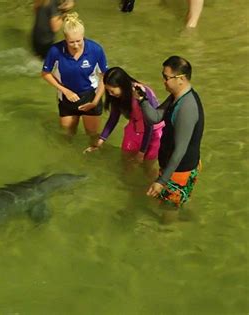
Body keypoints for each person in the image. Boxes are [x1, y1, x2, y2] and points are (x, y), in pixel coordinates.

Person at [136, 56, 204, 224]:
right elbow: (155, 117)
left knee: (167, 212)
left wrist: (162, 181)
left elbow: (180, 150)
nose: (163, 82)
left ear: (180, 79)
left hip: (179, 171)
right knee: (172, 203)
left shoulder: (187, 107)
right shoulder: (176, 96)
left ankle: (166, 236)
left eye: (166, 77)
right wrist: (142, 99)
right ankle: (187, 215)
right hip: (172, 168)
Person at [83, 67, 164, 178]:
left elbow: (150, 125)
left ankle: (152, 187)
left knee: (147, 166)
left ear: (122, 85)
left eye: (112, 90)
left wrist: (141, 152)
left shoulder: (140, 93)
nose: (110, 94)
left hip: (152, 132)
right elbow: (113, 118)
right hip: (134, 128)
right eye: (108, 91)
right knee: (126, 160)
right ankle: (127, 183)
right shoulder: (117, 96)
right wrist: (100, 142)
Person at [41, 12, 107, 137]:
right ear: (65, 38)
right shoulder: (55, 51)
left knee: (92, 135)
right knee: (67, 136)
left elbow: (105, 76)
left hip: (91, 96)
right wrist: (65, 91)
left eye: (79, 41)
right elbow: (45, 73)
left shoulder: (95, 50)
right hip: (67, 98)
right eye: (71, 42)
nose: (76, 45)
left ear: (83, 36)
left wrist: (95, 101)